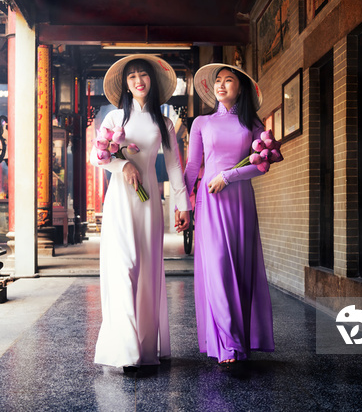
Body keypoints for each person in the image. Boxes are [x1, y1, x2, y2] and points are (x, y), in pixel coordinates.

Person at [91, 54, 191, 370]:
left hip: (147, 205)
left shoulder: (162, 123)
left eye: (143, 75)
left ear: (152, 81)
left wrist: (183, 204)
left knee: (146, 271)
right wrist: (123, 165)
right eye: (132, 76)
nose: (138, 80)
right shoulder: (113, 120)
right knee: (122, 267)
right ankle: (125, 350)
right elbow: (97, 158)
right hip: (120, 201)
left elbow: (174, 165)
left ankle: (145, 348)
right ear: (125, 83)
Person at [182, 63, 276, 364]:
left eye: (229, 80)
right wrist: (181, 204)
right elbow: (193, 167)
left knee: (240, 269)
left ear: (241, 87)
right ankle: (229, 346)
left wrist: (229, 176)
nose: (221, 86)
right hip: (210, 204)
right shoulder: (202, 123)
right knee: (218, 267)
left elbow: (263, 164)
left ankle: (239, 342)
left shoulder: (252, 125)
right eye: (218, 81)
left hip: (240, 203)